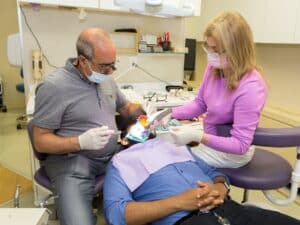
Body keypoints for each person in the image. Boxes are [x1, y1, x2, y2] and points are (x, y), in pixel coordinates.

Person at [32, 28, 145, 225]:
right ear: (83, 61)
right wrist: (80, 142)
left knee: (151, 193)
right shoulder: (54, 87)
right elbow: (41, 141)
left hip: (111, 156)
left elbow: (125, 108)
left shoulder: (106, 79)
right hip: (71, 162)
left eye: (113, 65)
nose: (110, 72)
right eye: (104, 66)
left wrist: (142, 109)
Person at [103, 116, 300, 225]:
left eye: (145, 125)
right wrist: (179, 203)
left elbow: (215, 173)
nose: (144, 130)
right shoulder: (120, 162)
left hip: (232, 209)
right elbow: (116, 214)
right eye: (137, 128)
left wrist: (220, 188)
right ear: (123, 139)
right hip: (188, 220)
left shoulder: (175, 146)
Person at [167, 11, 268, 168]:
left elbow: (240, 145)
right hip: (211, 136)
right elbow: (199, 104)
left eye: (216, 50)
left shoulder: (252, 87)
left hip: (232, 152)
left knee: (175, 162)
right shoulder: (215, 67)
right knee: (166, 147)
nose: (211, 54)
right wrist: (168, 114)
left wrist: (197, 136)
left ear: (236, 50)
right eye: (208, 47)